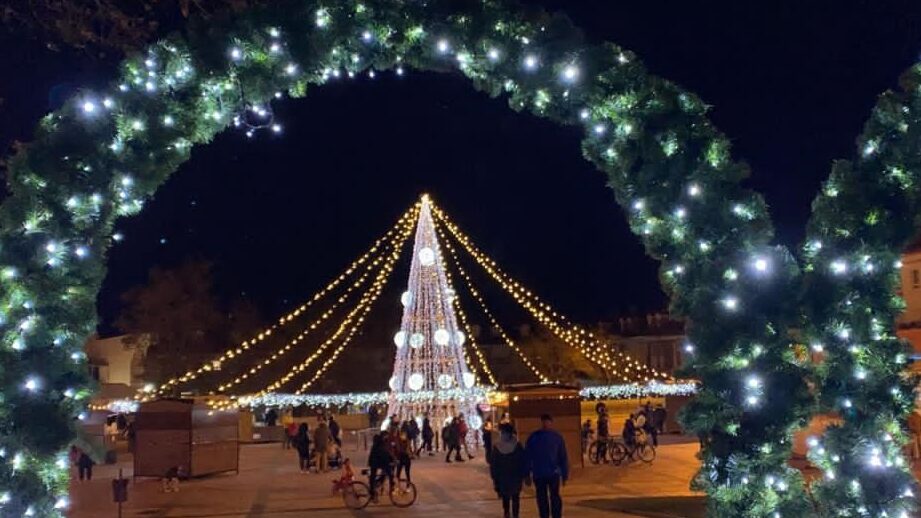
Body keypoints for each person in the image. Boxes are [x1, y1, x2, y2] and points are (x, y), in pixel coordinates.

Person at [525, 414, 569, 518]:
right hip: (541, 473)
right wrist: (526, 473)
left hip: (550, 472)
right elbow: (527, 456)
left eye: (547, 422)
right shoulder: (535, 437)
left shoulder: (555, 437)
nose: (545, 424)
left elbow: (562, 456)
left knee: (552, 497)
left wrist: (564, 474)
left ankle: (554, 515)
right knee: (543, 498)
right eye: (544, 422)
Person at [489, 424, 528, 518]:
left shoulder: (497, 447)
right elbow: (523, 461)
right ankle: (514, 514)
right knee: (514, 497)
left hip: (505, 477)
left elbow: (494, 465)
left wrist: (495, 478)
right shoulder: (517, 445)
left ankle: (508, 513)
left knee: (508, 497)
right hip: (513, 477)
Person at [367, 434, 394, 502]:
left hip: (375, 463)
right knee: (389, 473)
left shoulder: (376, 445)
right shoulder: (380, 445)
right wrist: (391, 460)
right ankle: (373, 493)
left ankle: (375, 487)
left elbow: (385, 454)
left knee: (380, 475)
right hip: (377, 463)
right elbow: (385, 454)